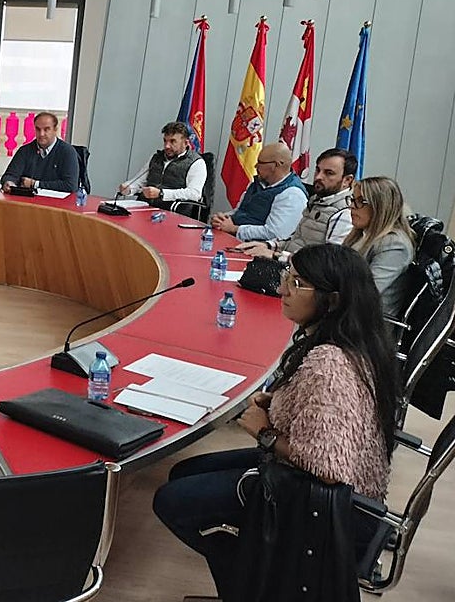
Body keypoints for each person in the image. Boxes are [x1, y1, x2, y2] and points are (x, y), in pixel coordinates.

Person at [152, 243, 399, 602]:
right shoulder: (352, 341)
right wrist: (279, 400)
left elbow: (327, 468)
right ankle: (257, 574)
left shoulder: (329, 363)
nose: (283, 289)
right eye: (288, 276)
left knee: (171, 502)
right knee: (183, 472)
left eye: (297, 283)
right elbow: (329, 418)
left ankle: (256, 581)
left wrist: (263, 432)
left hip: (329, 510)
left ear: (331, 301)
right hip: (323, 488)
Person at [236, 148, 357, 262]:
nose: (319, 177)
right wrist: (268, 245)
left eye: (329, 173)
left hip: (302, 278)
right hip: (289, 266)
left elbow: (328, 262)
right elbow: (296, 239)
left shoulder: (345, 213)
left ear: (347, 180)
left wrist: (276, 255)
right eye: (318, 170)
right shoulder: (317, 200)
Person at [344, 176, 414, 323]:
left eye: (361, 201)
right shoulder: (360, 235)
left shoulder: (395, 245)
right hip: (348, 314)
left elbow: (366, 292)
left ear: (380, 206)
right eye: (352, 199)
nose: (352, 206)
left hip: (368, 326)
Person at [210, 141, 308, 241]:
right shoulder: (258, 183)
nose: (256, 166)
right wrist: (223, 219)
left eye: (260, 163)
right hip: (234, 239)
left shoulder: (292, 195)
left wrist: (234, 229)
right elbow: (240, 212)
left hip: (255, 248)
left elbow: (275, 233)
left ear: (276, 165)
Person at [117, 121, 206, 210]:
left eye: (172, 141)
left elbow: (194, 194)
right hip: (144, 208)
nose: (167, 146)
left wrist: (162, 193)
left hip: (172, 213)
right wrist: (129, 188)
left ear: (186, 143)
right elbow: (140, 181)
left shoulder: (196, 163)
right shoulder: (156, 157)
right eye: (165, 141)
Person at [0, 112, 80, 193]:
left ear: (55, 130)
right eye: (38, 129)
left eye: (46, 129)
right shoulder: (25, 150)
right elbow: (9, 175)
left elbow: (70, 185)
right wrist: (8, 182)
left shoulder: (67, 151)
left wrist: (35, 184)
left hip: (57, 203)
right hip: (28, 201)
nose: (41, 134)